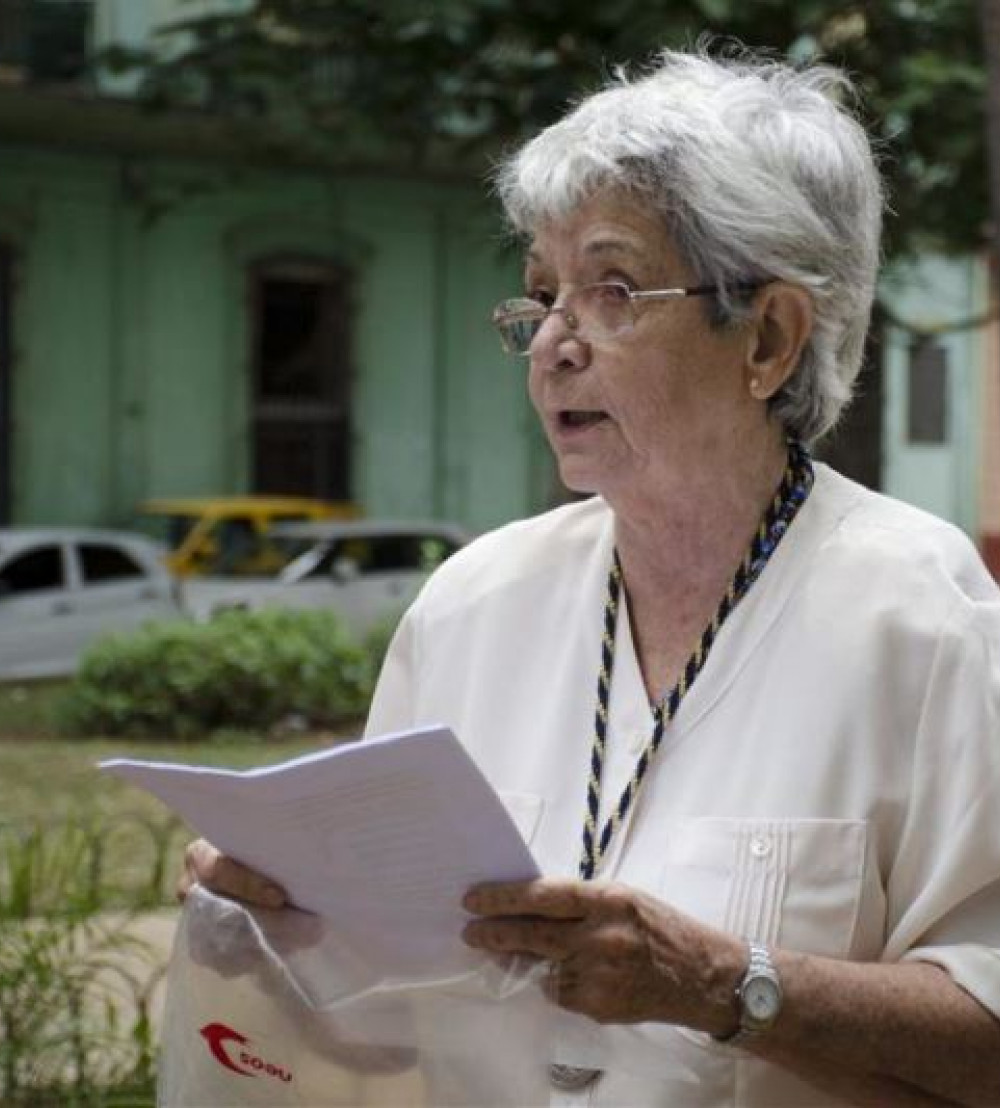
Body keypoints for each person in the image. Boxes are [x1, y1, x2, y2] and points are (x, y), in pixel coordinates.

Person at [181, 46, 1000, 1106]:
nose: (551, 346)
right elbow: (385, 1034)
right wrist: (278, 930)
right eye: (539, 293)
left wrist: (724, 985)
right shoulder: (471, 606)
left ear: (768, 338)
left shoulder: (927, 621)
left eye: (612, 289)